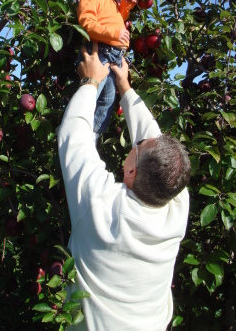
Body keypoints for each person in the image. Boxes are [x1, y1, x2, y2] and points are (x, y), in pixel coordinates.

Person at [58, 42, 191, 331]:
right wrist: (124, 87)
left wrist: (90, 81)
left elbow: (73, 137)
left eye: (138, 145)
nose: (140, 139)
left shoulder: (102, 207)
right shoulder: (176, 203)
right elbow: (152, 141)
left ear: (130, 171)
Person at [73, 0, 137, 136]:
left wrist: (125, 7)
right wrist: (114, 34)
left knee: (107, 101)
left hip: (114, 56)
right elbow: (88, 26)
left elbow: (117, 19)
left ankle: (92, 136)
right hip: (100, 52)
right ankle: (78, 131)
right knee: (92, 93)